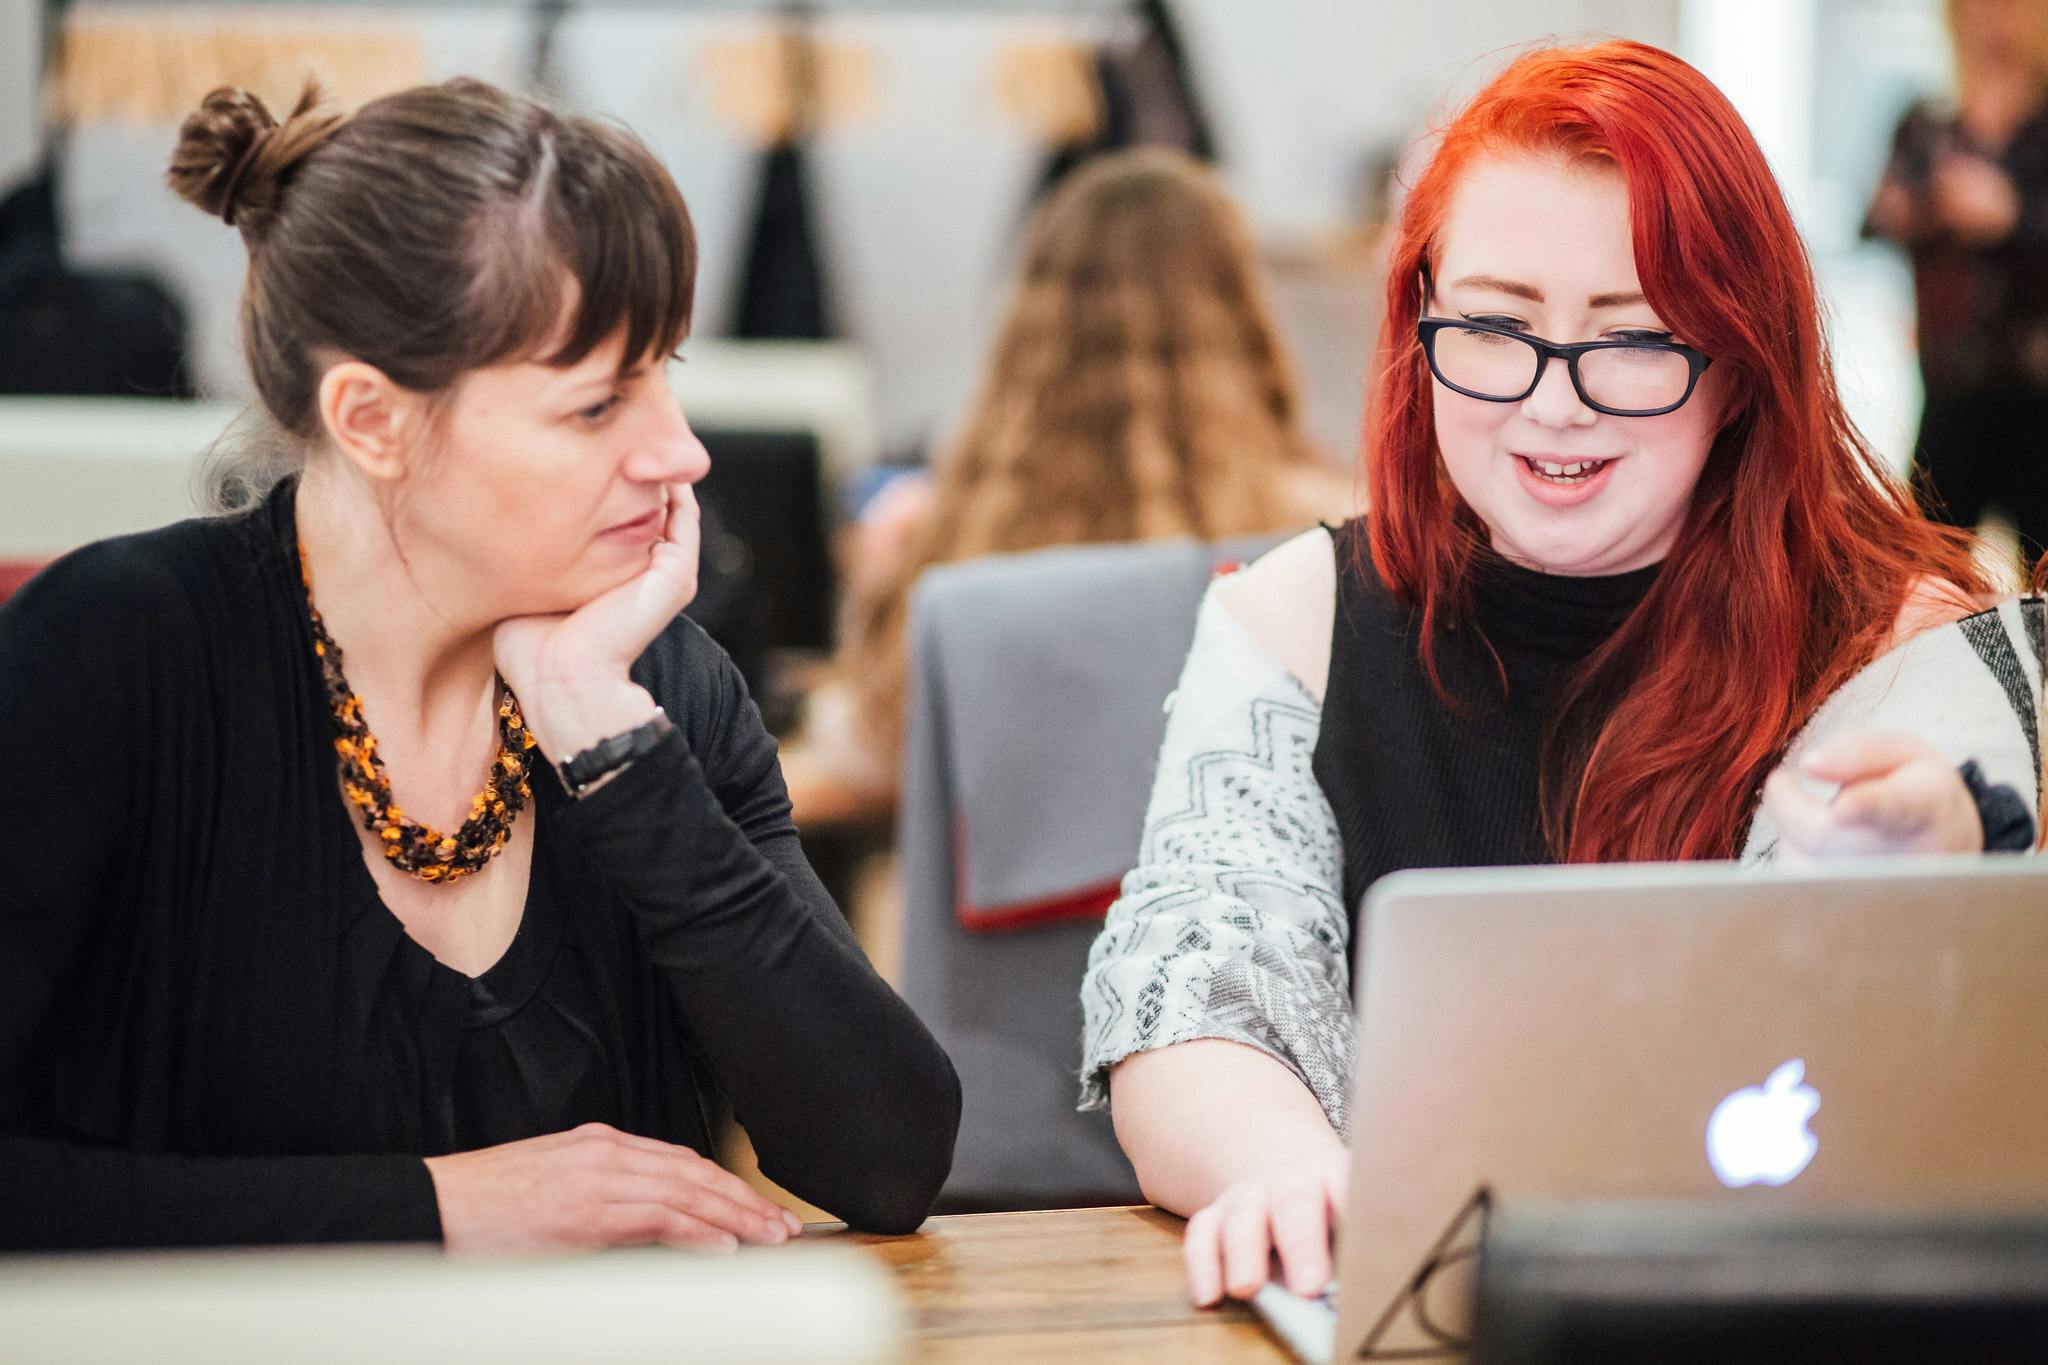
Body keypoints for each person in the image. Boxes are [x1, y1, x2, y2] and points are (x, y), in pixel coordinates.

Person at [1081, 40, 2042, 1311]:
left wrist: (1924, 876)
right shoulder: (1288, 617)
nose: (1551, 402)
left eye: (1631, 339)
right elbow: (1190, 1001)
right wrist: (1293, 1178)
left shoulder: (1900, 637)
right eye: (1492, 324)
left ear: (1741, 364)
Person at [0, 78, 959, 1252]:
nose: (682, 450)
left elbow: (889, 1159)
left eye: (667, 373)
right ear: (372, 420)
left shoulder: (657, 687)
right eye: (599, 404)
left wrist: (619, 759)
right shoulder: (111, 656)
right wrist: (440, 1208)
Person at [785, 148, 1351, 826]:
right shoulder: (1329, 536)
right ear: (1243, 312)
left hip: (1007, 930)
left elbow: (865, 750)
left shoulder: (944, 534)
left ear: (1031, 322)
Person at [1865, 0, 2048, 551]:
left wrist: (2009, 216)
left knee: (2038, 584)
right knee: (1928, 571)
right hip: (1948, 384)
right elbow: (1873, 218)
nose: (1990, 20)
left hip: (2036, 388)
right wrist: (1919, 210)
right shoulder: (1927, 123)